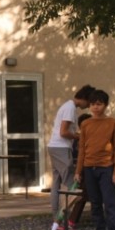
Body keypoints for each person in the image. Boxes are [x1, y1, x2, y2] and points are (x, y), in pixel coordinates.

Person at [74, 90, 115, 230]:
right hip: (89, 168)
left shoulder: (112, 123)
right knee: (95, 204)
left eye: (99, 104)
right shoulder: (85, 124)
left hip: (106, 168)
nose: (96, 107)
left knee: (109, 203)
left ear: (105, 105)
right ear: (90, 105)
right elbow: (81, 149)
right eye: (93, 104)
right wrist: (78, 170)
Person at [48, 85, 96, 222]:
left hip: (55, 147)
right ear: (85, 98)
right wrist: (79, 137)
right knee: (72, 185)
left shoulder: (68, 106)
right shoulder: (70, 108)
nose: (89, 106)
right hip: (61, 148)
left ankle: (56, 216)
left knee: (57, 182)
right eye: (89, 102)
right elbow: (63, 132)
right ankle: (61, 217)